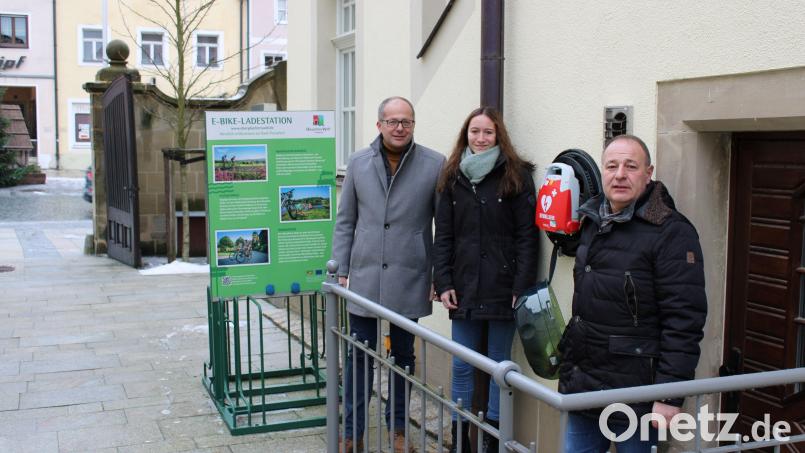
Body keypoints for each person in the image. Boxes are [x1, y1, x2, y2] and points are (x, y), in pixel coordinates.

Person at [557, 134, 707, 452]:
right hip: (585, 383)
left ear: (648, 173)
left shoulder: (672, 233)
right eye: (612, 166)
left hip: (636, 394)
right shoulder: (592, 220)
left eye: (631, 166)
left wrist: (669, 394)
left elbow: (684, 320)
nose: (620, 174)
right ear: (602, 172)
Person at [332, 96, 445, 453]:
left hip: (409, 275)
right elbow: (346, 220)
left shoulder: (434, 164)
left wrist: (437, 275)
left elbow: (444, 227)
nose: (400, 128)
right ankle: (352, 433)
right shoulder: (358, 162)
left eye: (406, 122)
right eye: (393, 121)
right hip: (362, 277)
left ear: (414, 125)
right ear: (379, 124)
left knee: (403, 356)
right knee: (358, 355)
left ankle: (398, 431)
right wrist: (342, 269)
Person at [432, 107, 540, 453]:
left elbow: (527, 236)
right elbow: (443, 235)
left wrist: (521, 286)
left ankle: (494, 437)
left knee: (499, 364)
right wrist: (444, 280)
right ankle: (460, 438)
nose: (480, 139)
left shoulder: (517, 175)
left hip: (502, 286)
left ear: (499, 137)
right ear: (466, 135)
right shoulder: (451, 176)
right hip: (462, 285)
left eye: (488, 133)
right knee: (462, 363)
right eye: (474, 132)